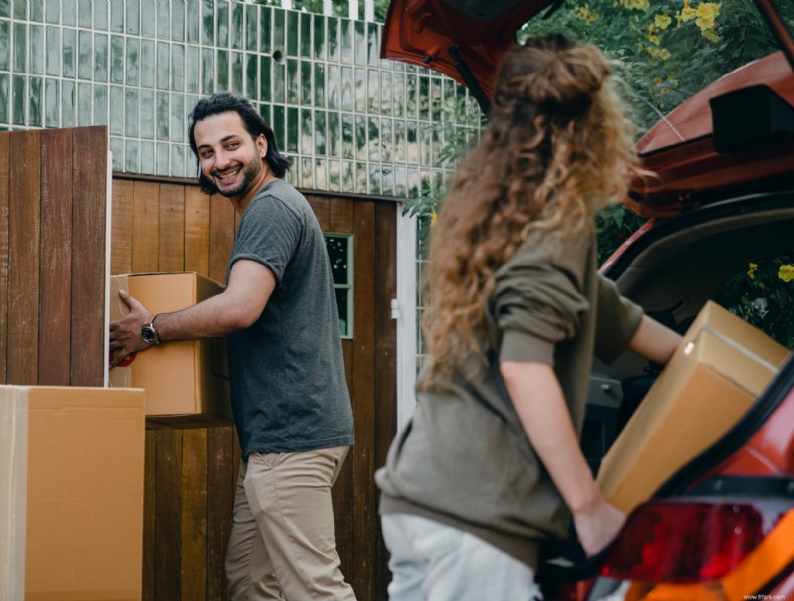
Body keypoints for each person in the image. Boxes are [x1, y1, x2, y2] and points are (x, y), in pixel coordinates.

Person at [374, 34, 682, 601]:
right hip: (478, 519)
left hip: (421, 497)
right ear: (593, 124)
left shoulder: (498, 213)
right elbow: (525, 368)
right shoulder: (559, 219)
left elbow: (613, 314)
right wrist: (588, 508)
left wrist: (707, 360)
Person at [109, 92, 357, 601]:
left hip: (293, 437)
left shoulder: (270, 208)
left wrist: (151, 329)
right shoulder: (268, 208)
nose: (219, 161)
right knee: (248, 582)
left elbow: (240, 308)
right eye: (206, 152)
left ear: (260, 144)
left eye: (231, 145)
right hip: (274, 439)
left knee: (316, 590)